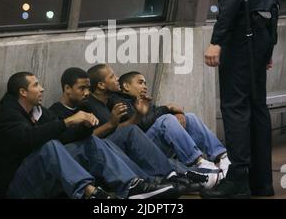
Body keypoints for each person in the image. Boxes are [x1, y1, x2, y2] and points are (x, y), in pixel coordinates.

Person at [0, 71, 175, 199]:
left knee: (90, 141)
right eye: (36, 85)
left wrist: (84, 126)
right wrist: (68, 121)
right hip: (16, 187)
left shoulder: (38, 111)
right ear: (22, 92)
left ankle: (135, 185)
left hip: (41, 175)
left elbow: (65, 136)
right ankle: (91, 193)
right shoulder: (8, 115)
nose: (42, 88)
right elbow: (27, 139)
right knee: (50, 146)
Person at [200, 0, 279, 198]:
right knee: (258, 107)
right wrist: (268, 48)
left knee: (235, 107)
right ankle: (262, 182)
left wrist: (216, 41)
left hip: (241, 38)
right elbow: (273, 4)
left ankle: (237, 180)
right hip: (260, 37)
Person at [49, 67, 205, 195]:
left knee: (135, 139)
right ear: (67, 89)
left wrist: (137, 115)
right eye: (82, 88)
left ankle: (174, 176)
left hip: (111, 150)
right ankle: (155, 181)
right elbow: (72, 145)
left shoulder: (93, 104)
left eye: (87, 88)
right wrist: (110, 124)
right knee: (110, 141)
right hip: (86, 158)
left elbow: (116, 130)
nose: (86, 92)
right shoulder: (56, 112)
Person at [85, 64, 221, 190]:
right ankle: (198, 166)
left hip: (137, 145)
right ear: (101, 85)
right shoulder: (99, 103)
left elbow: (126, 126)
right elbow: (98, 138)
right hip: (120, 154)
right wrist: (165, 108)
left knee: (187, 119)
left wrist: (174, 111)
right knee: (165, 122)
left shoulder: (110, 101)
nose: (117, 78)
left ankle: (218, 161)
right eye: (112, 76)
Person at [114, 71, 230, 177]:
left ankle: (221, 156)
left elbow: (155, 115)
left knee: (189, 118)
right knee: (167, 120)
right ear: (126, 86)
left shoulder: (142, 101)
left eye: (145, 83)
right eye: (140, 83)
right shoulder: (120, 102)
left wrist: (177, 112)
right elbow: (141, 125)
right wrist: (167, 108)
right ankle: (198, 162)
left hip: (155, 145)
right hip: (138, 152)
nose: (145, 86)